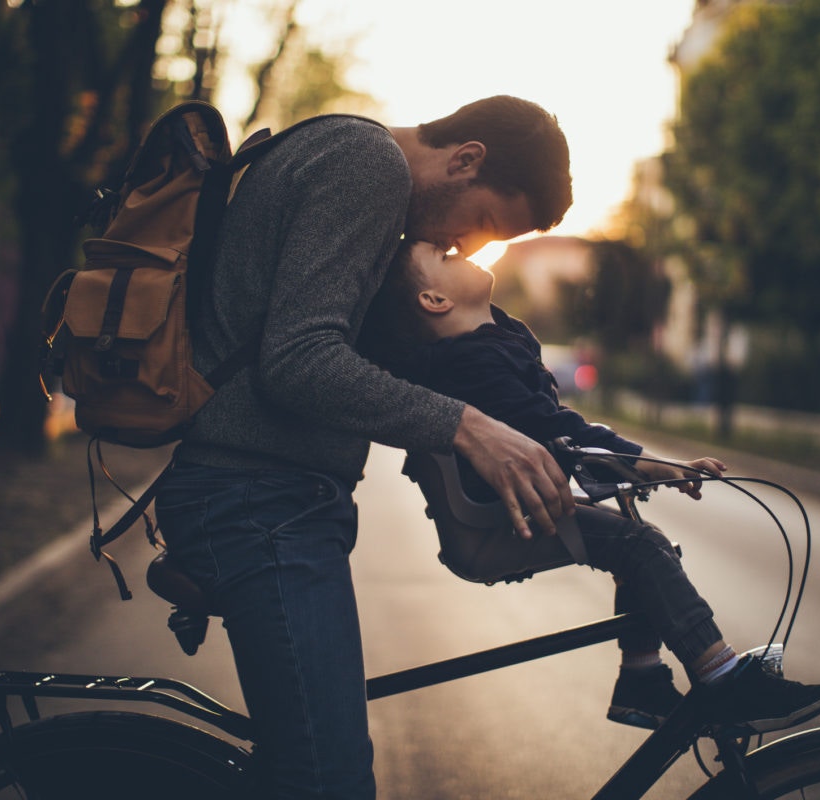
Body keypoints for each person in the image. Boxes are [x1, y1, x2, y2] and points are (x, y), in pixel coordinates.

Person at [155, 96, 579, 800]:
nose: (466, 249)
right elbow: (300, 362)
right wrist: (467, 426)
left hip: (273, 506)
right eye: (479, 224)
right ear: (465, 159)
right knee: (328, 782)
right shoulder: (366, 166)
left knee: (303, 767)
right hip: (257, 507)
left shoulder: (351, 165)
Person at [359, 240, 820, 734]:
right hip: (493, 526)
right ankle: (722, 677)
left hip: (510, 513)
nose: (459, 248)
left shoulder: (488, 345)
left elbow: (550, 425)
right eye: (443, 255)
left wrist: (645, 463)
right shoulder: (469, 363)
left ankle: (642, 680)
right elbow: (553, 429)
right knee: (643, 546)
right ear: (435, 300)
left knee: (645, 545)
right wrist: (645, 463)